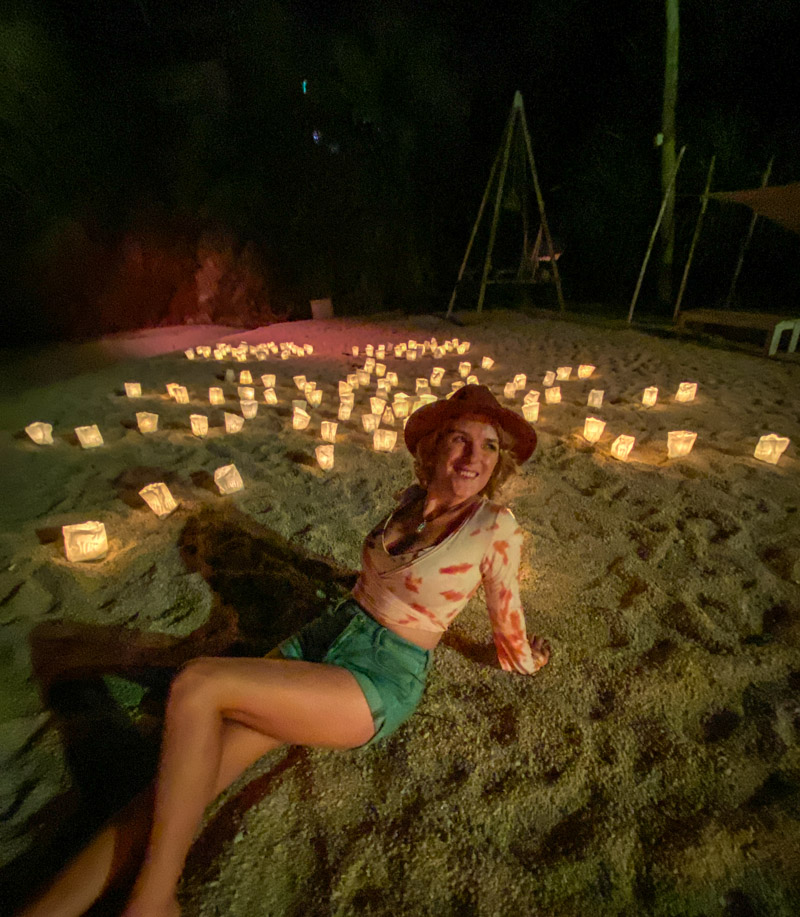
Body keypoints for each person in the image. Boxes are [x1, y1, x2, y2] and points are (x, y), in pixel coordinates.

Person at [19, 384, 550, 917]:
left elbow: (507, 612)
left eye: (488, 447)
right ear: (433, 447)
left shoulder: (494, 526)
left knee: (200, 683)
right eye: (460, 439)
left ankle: (154, 898)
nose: (472, 458)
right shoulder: (409, 503)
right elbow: (381, 577)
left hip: (381, 675)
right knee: (173, 789)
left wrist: (525, 656)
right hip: (319, 640)